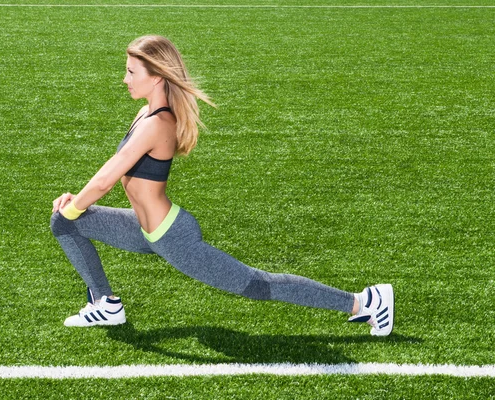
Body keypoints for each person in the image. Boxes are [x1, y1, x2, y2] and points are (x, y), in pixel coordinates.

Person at [50, 35, 394, 336]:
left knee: (258, 284)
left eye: (131, 72)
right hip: (143, 229)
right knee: (64, 221)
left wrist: (78, 203)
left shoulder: (158, 123)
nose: (124, 78)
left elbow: (106, 180)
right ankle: (105, 304)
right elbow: (113, 169)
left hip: (172, 237)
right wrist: (75, 205)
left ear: (156, 77)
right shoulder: (144, 114)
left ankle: (364, 302)